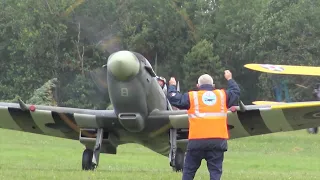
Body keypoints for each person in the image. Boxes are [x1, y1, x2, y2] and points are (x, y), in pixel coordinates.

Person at [167, 70, 240, 180]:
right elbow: (235, 91)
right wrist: (229, 78)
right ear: (213, 85)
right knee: (215, 173)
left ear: (198, 86)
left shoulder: (192, 96)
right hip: (217, 141)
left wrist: (172, 86)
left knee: (188, 173)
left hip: (197, 141)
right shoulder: (222, 95)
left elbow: (174, 98)